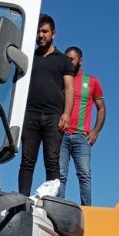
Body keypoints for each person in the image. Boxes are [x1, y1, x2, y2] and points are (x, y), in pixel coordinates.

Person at [17, 14, 74, 196]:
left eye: (45, 31)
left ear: (53, 34)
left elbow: (69, 88)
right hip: (30, 115)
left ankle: (51, 201)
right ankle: (22, 200)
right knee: (27, 161)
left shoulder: (63, 60)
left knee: (51, 160)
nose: (41, 35)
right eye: (38, 32)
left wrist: (66, 114)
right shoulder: (28, 57)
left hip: (53, 116)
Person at [58, 46, 106, 206]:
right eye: (66, 59)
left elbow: (102, 108)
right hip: (62, 135)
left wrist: (96, 131)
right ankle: (58, 207)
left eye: (71, 59)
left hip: (81, 136)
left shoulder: (92, 81)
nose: (68, 62)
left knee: (84, 174)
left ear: (80, 60)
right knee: (60, 174)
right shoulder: (61, 79)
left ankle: (87, 210)